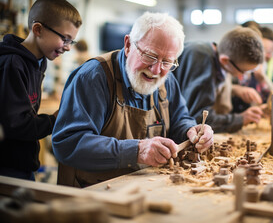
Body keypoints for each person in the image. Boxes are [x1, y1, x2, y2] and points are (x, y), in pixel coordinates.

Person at [52, 12, 214, 188]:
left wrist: (191, 131)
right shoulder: (93, 77)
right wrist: (136, 151)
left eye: (167, 62)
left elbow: (179, 119)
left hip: (145, 189)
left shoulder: (166, 81)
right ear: (128, 45)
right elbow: (68, 144)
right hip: (91, 196)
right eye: (150, 56)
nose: (156, 69)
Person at [0, 0, 82, 180]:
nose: (68, 47)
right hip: (6, 167)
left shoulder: (38, 62)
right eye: (65, 39)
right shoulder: (13, 63)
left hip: (22, 163)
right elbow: (15, 125)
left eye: (72, 41)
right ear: (38, 29)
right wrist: (56, 119)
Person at [173, 26, 264, 133]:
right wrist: (240, 119)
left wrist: (234, 90)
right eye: (243, 71)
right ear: (225, 60)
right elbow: (199, 120)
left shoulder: (218, 55)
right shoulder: (203, 63)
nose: (243, 76)